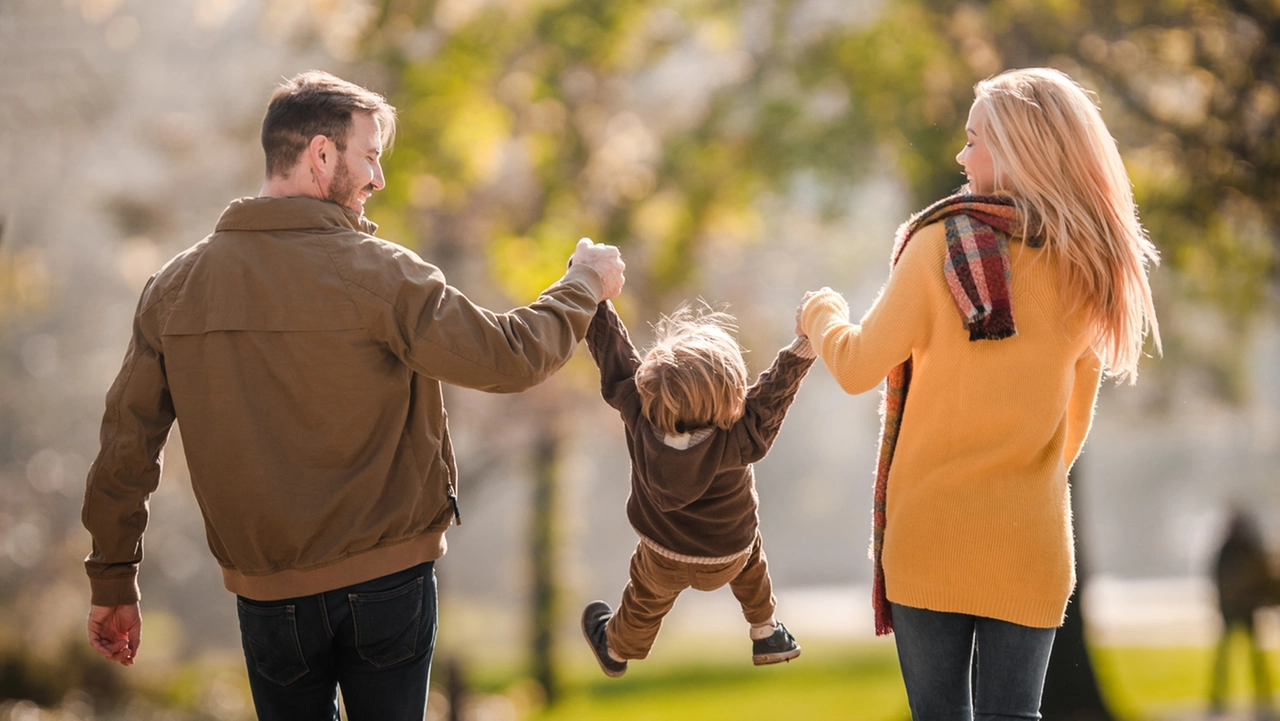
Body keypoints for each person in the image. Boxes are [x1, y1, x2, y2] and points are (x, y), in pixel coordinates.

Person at [81, 70, 625, 721]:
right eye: (370, 157)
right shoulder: (382, 274)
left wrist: (113, 579)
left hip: (268, 598)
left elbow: (125, 446)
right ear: (320, 154)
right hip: (388, 585)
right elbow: (509, 357)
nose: (379, 179)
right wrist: (583, 284)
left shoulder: (173, 290)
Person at [797, 68, 1161, 719]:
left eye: (974, 140)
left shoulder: (937, 243)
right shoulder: (1086, 265)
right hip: (1032, 542)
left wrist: (820, 311)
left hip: (929, 534)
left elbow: (856, 366)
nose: (961, 157)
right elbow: (1070, 430)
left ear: (1017, 147)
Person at [579, 299, 814, 677]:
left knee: (643, 600)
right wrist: (804, 344)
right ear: (732, 393)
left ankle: (617, 649)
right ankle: (766, 630)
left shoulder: (637, 409)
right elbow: (775, 394)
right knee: (751, 555)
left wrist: (592, 294)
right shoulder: (743, 434)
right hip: (729, 553)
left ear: (650, 385)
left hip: (661, 553)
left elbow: (614, 356)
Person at [1209, 510, 1274, 717]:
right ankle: (1218, 697)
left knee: (1252, 657)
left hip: (1243, 609)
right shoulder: (1235, 549)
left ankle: (1262, 695)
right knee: (1229, 657)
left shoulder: (1244, 548)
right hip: (1235, 609)